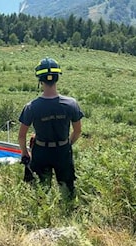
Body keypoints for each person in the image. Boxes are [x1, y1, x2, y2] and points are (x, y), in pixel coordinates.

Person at [18, 57, 84, 199]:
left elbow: (22, 135)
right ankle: (68, 216)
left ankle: (44, 219)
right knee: (67, 191)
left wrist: (25, 153)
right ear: (57, 78)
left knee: (41, 193)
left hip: (41, 151)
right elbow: (78, 131)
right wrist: (68, 144)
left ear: (40, 80)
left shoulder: (31, 107)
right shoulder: (71, 104)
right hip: (63, 151)